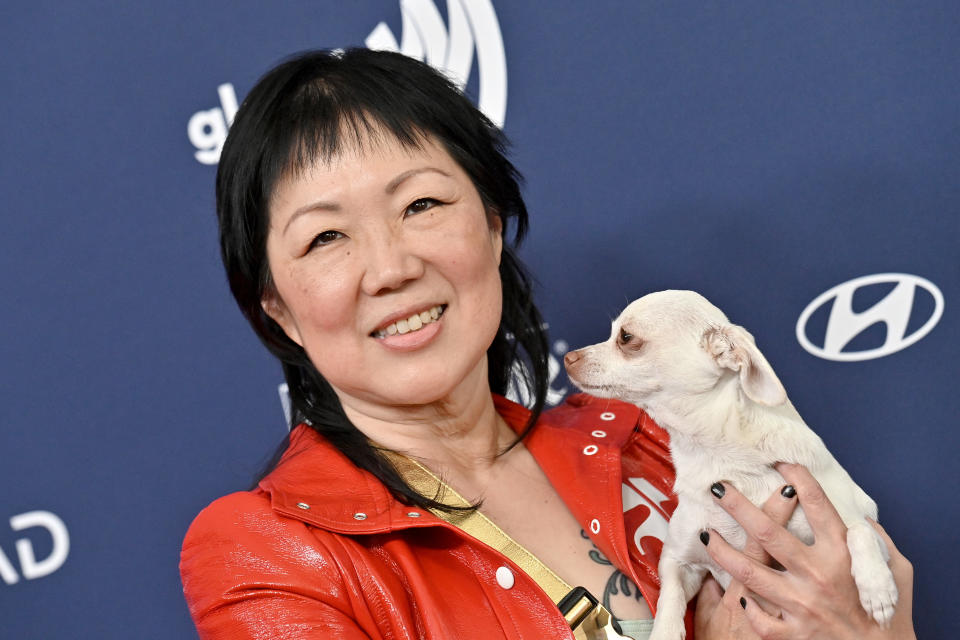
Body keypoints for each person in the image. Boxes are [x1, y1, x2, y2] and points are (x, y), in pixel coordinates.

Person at [179, 48, 916, 640]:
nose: (393, 267)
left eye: (422, 203)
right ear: (275, 303)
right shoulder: (266, 554)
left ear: (493, 224)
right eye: (327, 236)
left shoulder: (650, 442)